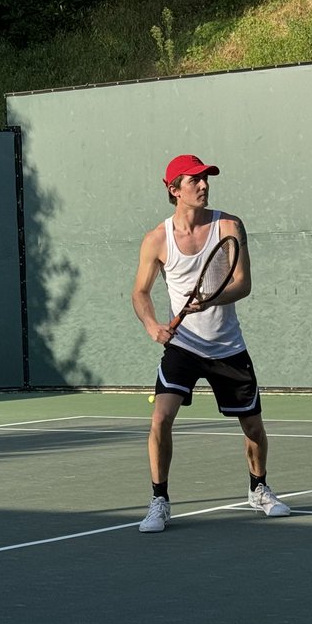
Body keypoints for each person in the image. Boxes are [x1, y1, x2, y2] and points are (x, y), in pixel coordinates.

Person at [130, 153, 291, 533]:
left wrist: (211, 299)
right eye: (194, 180)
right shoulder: (157, 239)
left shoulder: (229, 226)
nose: (204, 185)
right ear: (174, 190)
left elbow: (242, 283)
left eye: (206, 179)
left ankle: (259, 488)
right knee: (160, 418)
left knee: (253, 427)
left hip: (227, 347)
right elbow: (139, 292)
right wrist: (152, 325)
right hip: (183, 348)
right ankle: (159, 501)